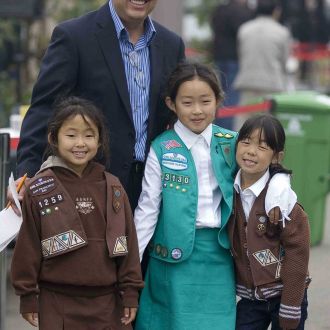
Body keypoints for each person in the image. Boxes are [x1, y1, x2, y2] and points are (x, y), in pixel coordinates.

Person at [133, 61, 296, 330]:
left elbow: (269, 171)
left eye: (205, 101)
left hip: (220, 254)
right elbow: (147, 209)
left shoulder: (232, 142)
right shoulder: (161, 148)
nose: (197, 110)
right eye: (187, 102)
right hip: (171, 258)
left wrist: (279, 187)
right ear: (171, 104)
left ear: (219, 100)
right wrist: (129, 266)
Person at [13, 0, 185, 213]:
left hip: (152, 191)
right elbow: (44, 110)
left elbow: (177, 117)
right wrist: (27, 175)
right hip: (86, 187)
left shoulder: (171, 44)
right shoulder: (74, 36)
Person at [11, 97, 143, 330]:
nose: (80, 143)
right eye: (71, 135)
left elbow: (129, 243)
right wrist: (28, 295)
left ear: (100, 140)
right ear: (54, 138)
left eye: (89, 136)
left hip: (108, 304)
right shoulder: (39, 188)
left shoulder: (113, 186)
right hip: (57, 302)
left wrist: (131, 290)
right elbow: (28, 246)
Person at [228, 114, 310, 330]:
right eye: (246, 142)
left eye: (262, 147)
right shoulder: (230, 190)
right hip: (250, 299)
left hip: (285, 296)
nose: (251, 151)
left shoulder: (282, 201)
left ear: (276, 157)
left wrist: (290, 307)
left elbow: (298, 253)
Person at [233, 0, 292, 130]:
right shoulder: (282, 32)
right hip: (272, 84)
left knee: (244, 126)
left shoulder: (244, 29)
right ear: (275, 11)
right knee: (269, 128)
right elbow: (284, 61)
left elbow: (241, 55)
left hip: (247, 81)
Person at [210, 0, 253, 130]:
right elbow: (244, 35)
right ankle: (226, 131)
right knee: (232, 96)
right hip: (234, 59)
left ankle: (217, 128)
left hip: (219, 57)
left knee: (220, 94)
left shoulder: (219, 10)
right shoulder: (241, 12)